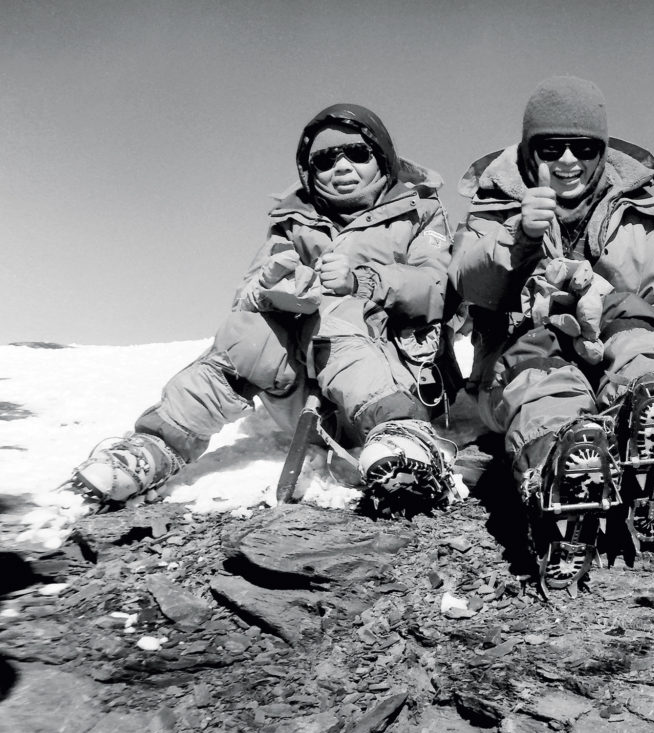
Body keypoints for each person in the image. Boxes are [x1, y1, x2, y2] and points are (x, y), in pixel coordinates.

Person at [69, 103, 460, 512]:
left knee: (337, 312)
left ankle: (403, 437)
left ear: (382, 158)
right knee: (248, 332)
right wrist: (267, 287)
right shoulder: (290, 223)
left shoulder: (422, 212)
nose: (341, 167)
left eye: (357, 154)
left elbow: (437, 289)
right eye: (325, 159)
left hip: (399, 380)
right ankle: (153, 447)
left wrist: (362, 281)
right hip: (312, 395)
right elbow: (246, 298)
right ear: (309, 172)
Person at [449, 75, 654, 594]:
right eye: (550, 146)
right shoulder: (496, 202)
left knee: (633, 321)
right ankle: (557, 481)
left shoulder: (638, 208)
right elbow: (468, 280)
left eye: (583, 147)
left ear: (602, 151)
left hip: (612, 343)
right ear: (527, 148)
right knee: (543, 381)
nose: (568, 160)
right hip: (525, 353)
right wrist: (520, 236)